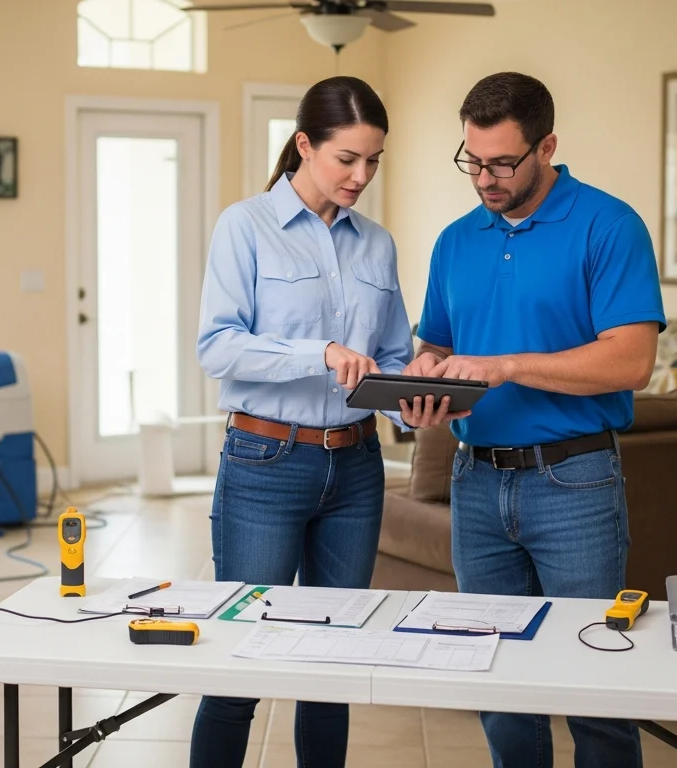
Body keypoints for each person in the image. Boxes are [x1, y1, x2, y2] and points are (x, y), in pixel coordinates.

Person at [399, 72, 666, 768]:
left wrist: (507, 366)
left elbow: (631, 360)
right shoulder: (456, 241)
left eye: (502, 163)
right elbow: (439, 344)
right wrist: (424, 376)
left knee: (595, 685)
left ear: (547, 146)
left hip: (574, 482)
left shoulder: (608, 225)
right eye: (472, 161)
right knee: (498, 682)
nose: (484, 178)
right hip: (476, 483)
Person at [189, 75, 414, 768]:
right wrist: (316, 353)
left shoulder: (376, 244)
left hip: (355, 469)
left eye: (373, 160)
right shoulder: (245, 226)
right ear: (304, 146)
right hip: (265, 466)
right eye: (347, 158)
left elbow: (395, 356)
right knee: (238, 659)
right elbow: (217, 348)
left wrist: (416, 397)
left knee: (331, 665)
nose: (361, 175)